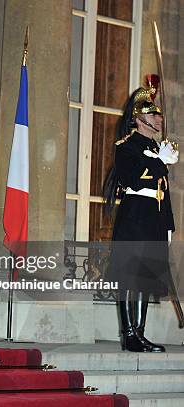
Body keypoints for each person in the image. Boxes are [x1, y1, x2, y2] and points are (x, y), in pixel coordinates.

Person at [103, 86, 177, 353]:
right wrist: (161, 164)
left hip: (154, 218)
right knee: (129, 276)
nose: (159, 119)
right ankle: (129, 334)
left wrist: (168, 225)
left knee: (145, 277)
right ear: (139, 118)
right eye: (153, 114)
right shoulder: (127, 146)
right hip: (135, 216)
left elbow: (163, 191)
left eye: (158, 115)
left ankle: (141, 333)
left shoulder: (156, 147)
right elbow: (133, 178)